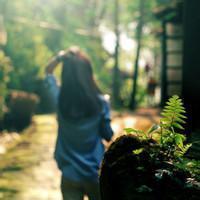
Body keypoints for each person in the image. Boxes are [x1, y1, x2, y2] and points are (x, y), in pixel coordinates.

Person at [45, 46, 113, 200]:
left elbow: (48, 72)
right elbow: (108, 135)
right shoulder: (101, 103)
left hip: (69, 176)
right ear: (88, 73)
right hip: (95, 175)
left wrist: (61, 56)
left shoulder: (59, 100)